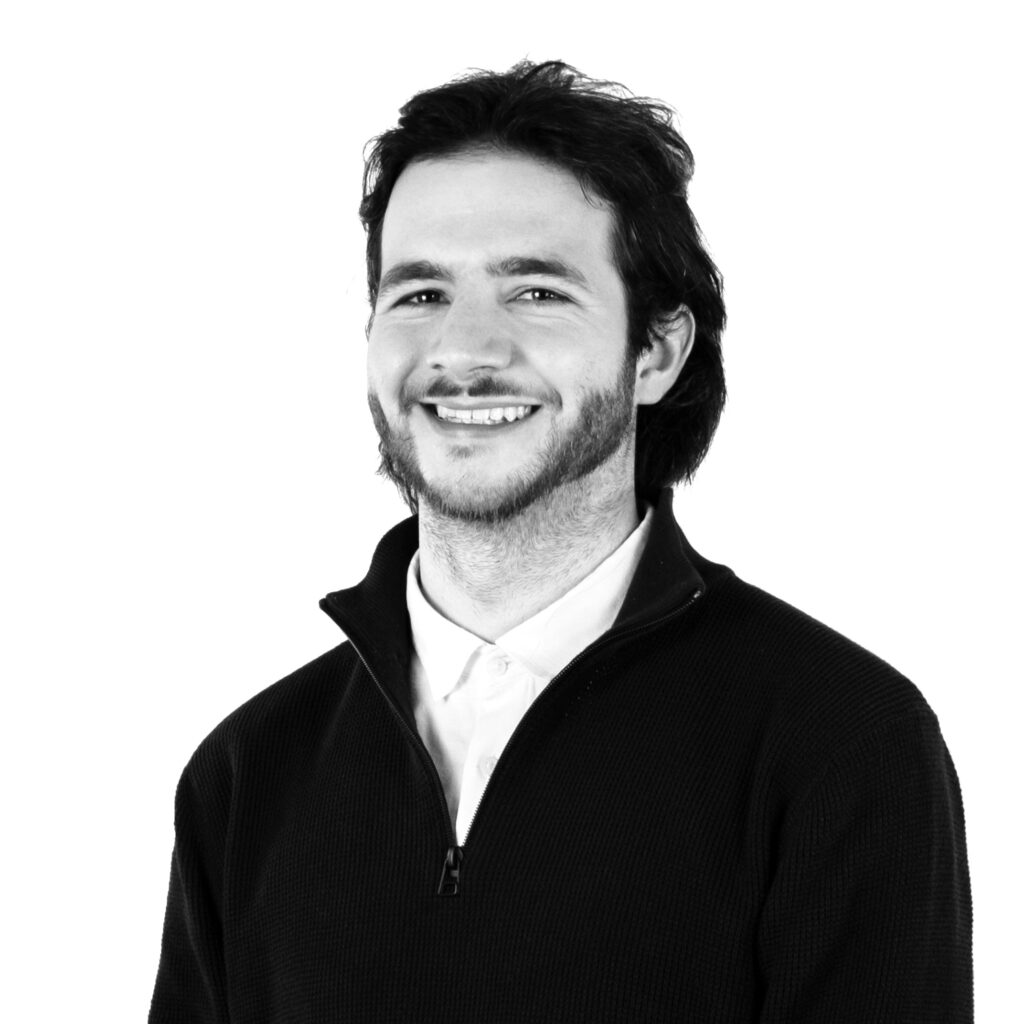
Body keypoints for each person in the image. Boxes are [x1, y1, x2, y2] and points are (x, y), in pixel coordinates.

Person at [149, 61, 972, 1022]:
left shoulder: (839, 742)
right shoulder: (248, 774)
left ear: (656, 351)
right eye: (420, 294)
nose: (465, 350)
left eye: (536, 292)